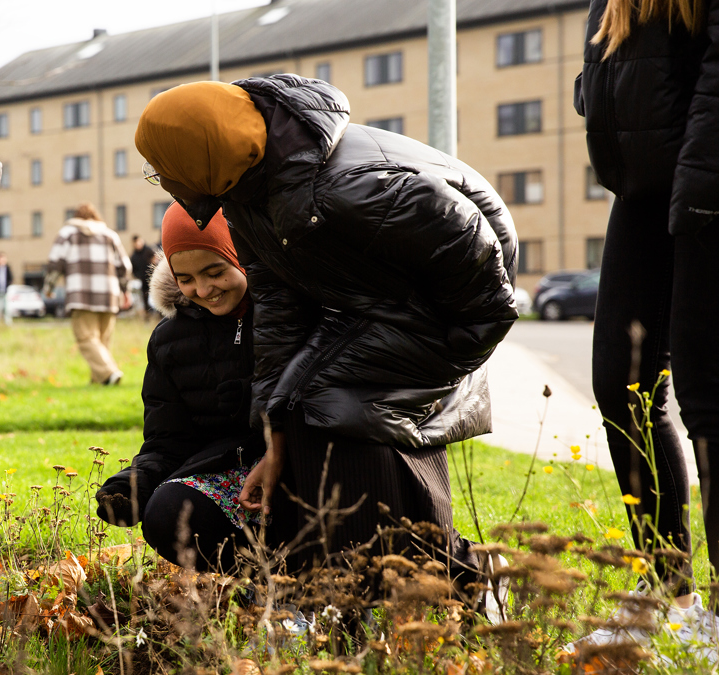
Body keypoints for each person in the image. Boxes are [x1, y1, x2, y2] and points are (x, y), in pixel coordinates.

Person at [135, 78, 516, 598]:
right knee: (299, 406)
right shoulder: (248, 189)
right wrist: (273, 429)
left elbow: (474, 256)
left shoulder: (341, 187)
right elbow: (278, 304)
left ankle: (450, 579)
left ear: (201, 154)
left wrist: (448, 352)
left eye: (164, 167)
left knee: (332, 406)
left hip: (443, 318)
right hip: (375, 310)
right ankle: (338, 596)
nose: (164, 180)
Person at [573, 0, 719, 655]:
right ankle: (670, 597)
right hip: (642, 186)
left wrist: (702, 186)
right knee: (622, 385)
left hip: (707, 179)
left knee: (709, 398)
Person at [96, 204, 284, 572]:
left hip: (297, 461)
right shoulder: (169, 340)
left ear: (241, 255)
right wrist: (136, 484)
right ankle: (263, 580)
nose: (203, 289)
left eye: (215, 272)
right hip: (230, 475)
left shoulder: (285, 311)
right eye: (185, 279)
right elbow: (168, 438)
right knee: (166, 512)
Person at [47, 203, 132, 385]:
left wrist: (49, 287)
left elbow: (55, 263)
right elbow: (124, 266)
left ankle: (109, 373)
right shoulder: (110, 235)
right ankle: (99, 381)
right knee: (102, 340)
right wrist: (125, 291)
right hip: (109, 295)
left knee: (86, 338)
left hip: (81, 294)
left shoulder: (67, 233)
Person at [129, 235, 157, 319]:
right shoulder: (134, 256)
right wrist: (138, 276)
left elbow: (156, 260)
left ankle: (159, 314)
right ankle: (148, 314)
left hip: (153, 277)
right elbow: (133, 269)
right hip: (143, 280)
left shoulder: (149, 250)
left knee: (157, 295)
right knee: (145, 298)